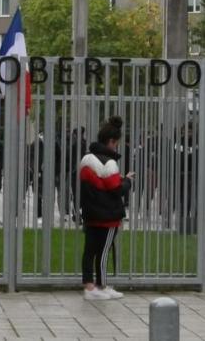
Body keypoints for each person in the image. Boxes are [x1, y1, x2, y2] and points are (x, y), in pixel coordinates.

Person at [79, 116, 133, 300]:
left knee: (89, 250)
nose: (116, 147)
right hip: (108, 216)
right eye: (116, 144)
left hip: (90, 213)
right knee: (104, 251)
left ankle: (89, 286)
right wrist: (127, 180)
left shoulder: (86, 160)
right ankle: (102, 285)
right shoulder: (109, 163)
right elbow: (115, 189)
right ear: (111, 141)